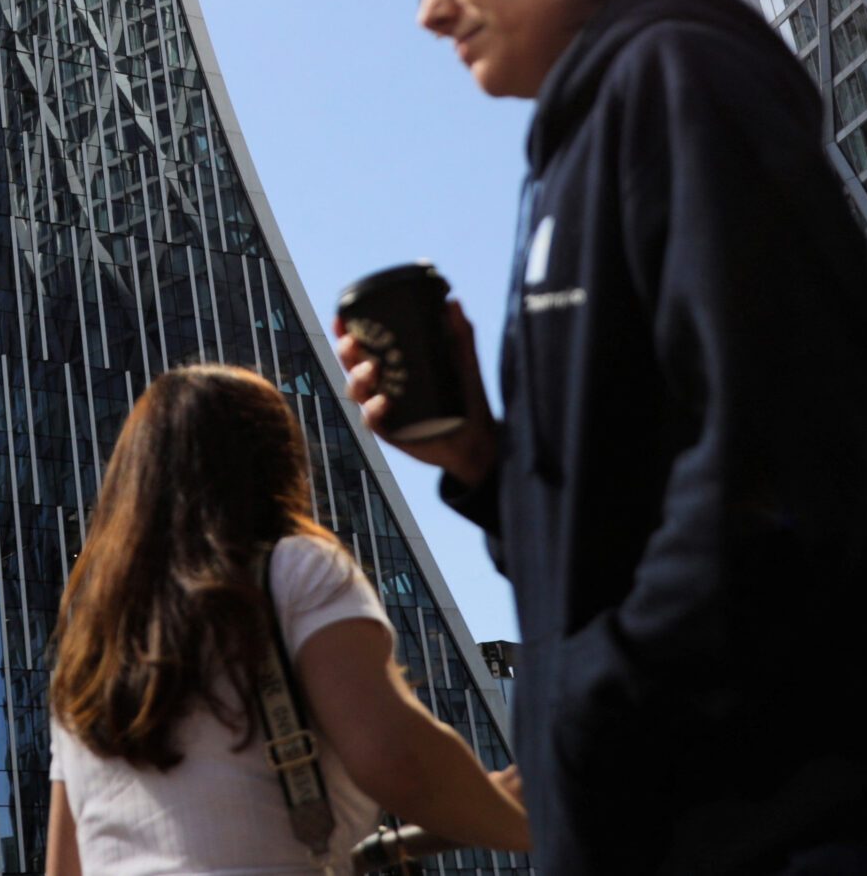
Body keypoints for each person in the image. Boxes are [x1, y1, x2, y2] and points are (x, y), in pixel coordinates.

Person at [336, 0, 867, 876]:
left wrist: (589, 706)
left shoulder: (679, 74)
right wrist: (482, 462)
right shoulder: (578, 147)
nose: (432, 9)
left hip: (806, 817)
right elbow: (620, 526)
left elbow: (778, 452)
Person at [45, 363, 530, 875]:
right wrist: (528, 820)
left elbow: (64, 866)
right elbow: (399, 761)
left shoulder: (91, 647)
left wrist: (483, 795)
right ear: (277, 464)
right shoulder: (294, 568)